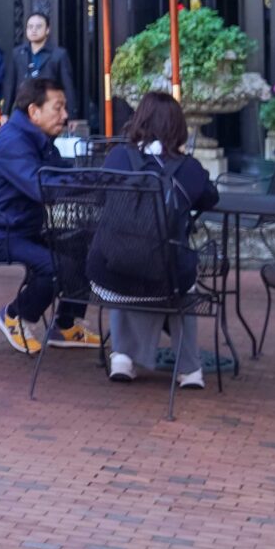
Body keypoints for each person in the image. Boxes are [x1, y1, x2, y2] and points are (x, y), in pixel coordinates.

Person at [90, 91, 219, 390]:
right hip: (165, 281)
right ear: (178, 127)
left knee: (122, 254)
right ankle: (190, 370)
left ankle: (121, 357)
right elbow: (211, 197)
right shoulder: (188, 168)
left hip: (107, 278)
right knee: (180, 273)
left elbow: (99, 198)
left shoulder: (117, 156)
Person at [0, 73, 104, 354]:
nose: (65, 115)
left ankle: (65, 326)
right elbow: (41, 186)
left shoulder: (35, 137)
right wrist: (89, 182)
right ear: (34, 111)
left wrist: (100, 177)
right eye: (58, 107)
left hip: (23, 229)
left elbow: (61, 171)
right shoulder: (14, 143)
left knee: (85, 246)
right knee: (53, 267)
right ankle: (14, 315)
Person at [2, 12, 79, 125]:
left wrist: (72, 115)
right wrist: (5, 112)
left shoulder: (59, 54)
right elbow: (10, 84)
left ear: (47, 30)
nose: (34, 30)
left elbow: (68, 86)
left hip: (48, 109)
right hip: (22, 108)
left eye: (38, 27)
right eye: (30, 27)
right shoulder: (17, 53)